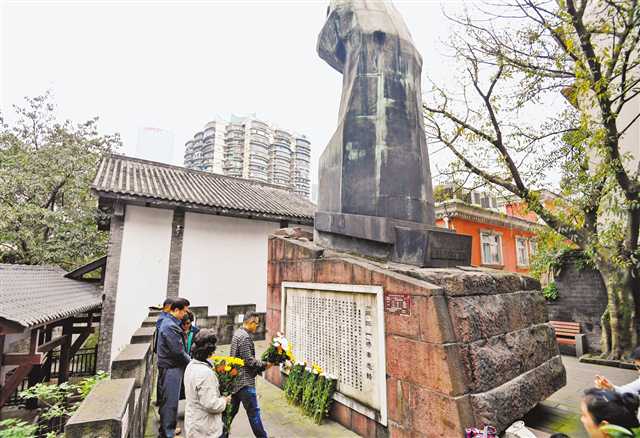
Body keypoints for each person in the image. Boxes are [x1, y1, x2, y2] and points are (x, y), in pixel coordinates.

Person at [221, 312, 272, 438]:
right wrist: (265, 365)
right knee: (254, 413)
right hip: (244, 382)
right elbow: (249, 361)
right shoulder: (244, 337)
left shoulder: (238, 333)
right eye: (256, 323)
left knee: (230, 413)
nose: (257, 326)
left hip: (235, 380)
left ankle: (221, 435)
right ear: (250, 322)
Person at [183, 329, 230, 438]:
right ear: (210, 351)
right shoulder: (205, 373)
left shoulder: (191, 365)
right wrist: (224, 400)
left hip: (193, 422)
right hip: (205, 428)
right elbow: (211, 405)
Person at [157, 297, 191, 438]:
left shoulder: (168, 322)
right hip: (171, 367)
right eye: (184, 311)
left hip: (169, 366)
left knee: (167, 401)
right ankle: (168, 433)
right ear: (176, 310)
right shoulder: (170, 326)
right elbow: (178, 352)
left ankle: (166, 429)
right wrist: (192, 363)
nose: (185, 314)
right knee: (170, 402)